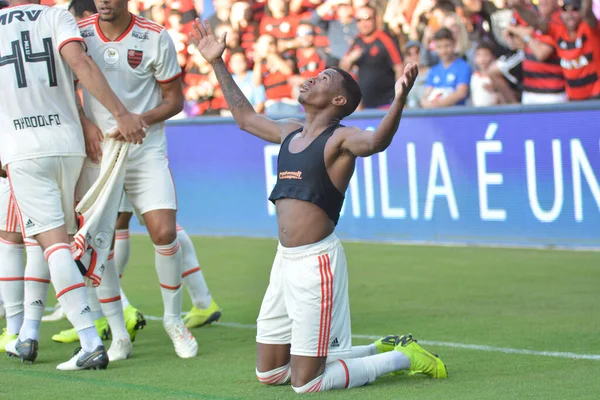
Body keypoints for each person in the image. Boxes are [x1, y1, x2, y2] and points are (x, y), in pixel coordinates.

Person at [190, 19, 447, 394]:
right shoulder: (290, 130)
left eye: (324, 79)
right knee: (271, 375)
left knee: (306, 382)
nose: (311, 79)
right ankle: (382, 346)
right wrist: (217, 62)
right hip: (283, 262)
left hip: (316, 265)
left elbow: (376, 141)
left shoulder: (340, 138)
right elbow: (245, 119)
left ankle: (402, 358)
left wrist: (401, 99)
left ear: (339, 100)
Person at [0, 0, 146, 370]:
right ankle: (30, 332)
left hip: (21, 147)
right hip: (69, 143)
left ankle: (89, 340)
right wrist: (120, 113)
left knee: (50, 245)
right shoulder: (56, 15)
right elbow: (81, 63)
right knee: (58, 243)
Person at [59, 0, 199, 359]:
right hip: (100, 154)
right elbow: (65, 88)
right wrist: (87, 122)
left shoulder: (155, 37)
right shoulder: (80, 32)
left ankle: (173, 321)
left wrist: (140, 119)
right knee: (101, 243)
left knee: (165, 232)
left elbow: (175, 100)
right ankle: (119, 334)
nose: (104, 1)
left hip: (144, 148)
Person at [512, 0, 600, 100]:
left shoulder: (590, 29)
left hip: (595, 98)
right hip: (573, 100)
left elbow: (588, 12)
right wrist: (517, 6)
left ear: (581, 12)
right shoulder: (559, 31)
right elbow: (536, 23)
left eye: (575, 9)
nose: (569, 14)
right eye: (565, 9)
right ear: (561, 12)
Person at [339, 5, 404, 109]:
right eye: (359, 20)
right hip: (365, 106)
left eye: (367, 19)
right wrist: (350, 59)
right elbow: (343, 70)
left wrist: (400, 99)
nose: (363, 24)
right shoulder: (357, 40)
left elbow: (399, 66)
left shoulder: (385, 39)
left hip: (387, 104)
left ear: (376, 19)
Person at [421, 28, 472, 108]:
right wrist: (425, 103)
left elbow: (461, 93)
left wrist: (438, 105)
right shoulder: (433, 70)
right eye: (439, 47)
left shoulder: (463, 66)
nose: (443, 51)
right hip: (435, 116)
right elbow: (426, 95)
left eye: (447, 46)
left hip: (456, 115)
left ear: (454, 44)